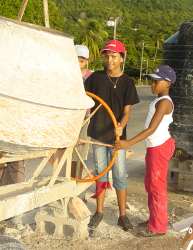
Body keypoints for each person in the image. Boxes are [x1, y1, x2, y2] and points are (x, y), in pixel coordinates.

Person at [84, 39, 139, 231]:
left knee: (120, 175)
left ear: (122, 58)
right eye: (107, 56)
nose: (110, 60)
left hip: (118, 140)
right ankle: (99, 212)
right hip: (98, 135)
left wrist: (121, 126)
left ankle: (122, 216)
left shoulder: (128, 82)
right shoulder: (95, 78)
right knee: (101, 174)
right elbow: (84, 101)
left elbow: (127, 111)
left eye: (114, 56)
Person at [115, 65, 176, 237]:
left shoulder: (164, 102)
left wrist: (128, 143)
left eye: (156, 81)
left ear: (168, 83)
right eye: (152, 81)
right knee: (150, 185)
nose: (152, 84)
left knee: (157, 187)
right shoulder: (159, 99)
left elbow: (151, 129)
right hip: (154, 147)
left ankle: (158, 227)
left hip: (159, 148)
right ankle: (154, 219)